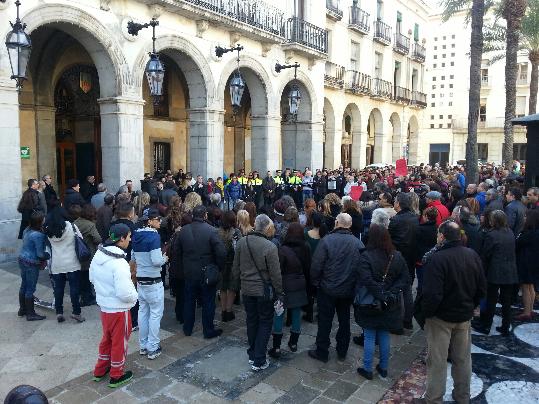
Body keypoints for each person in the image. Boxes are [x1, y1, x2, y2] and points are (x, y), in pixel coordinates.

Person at [421, 220, 486, 404]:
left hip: (441, 317)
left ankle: (433, 398)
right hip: (464, 315)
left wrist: (428, 313)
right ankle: (462, 397)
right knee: (463, 359)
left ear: (442, 236)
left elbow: (432, 294)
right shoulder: (472, 255)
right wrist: (471, 305)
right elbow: (482, 287)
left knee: (437, 361)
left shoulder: (437, 258)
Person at [355, 224, 409, 380]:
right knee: (384, 333)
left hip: (371, 301)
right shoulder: (396, 255)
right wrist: (389, 294)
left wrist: (381, 294)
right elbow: (405, 279)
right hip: (389, 302)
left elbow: (366, 280)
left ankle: (367, 368)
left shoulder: (366, 256)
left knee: (370, 335)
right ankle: (383, 367)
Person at [309, 213, 364, 363]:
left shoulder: (327, 240)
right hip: (346, 290)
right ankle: (342, 350)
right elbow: (361, 268)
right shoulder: (357, 243)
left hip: (328, 288)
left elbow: (316, 266)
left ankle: (322, 351)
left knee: (325, 321)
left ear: (337, 223)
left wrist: (316, 283)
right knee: (344, 320)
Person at [231, 214, 283, 371]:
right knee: (265, 322)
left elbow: (235, 268)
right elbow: (275, 274)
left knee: (252, 320)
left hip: (247, 290)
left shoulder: (242, 242)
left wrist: (237, 285)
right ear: (267, 228)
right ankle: (259, 359)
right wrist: (279, 292)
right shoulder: (270, 247)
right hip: (263, 291)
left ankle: (253, 353)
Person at [90, 223, 138, 388]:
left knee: (107, 339)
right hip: (119, 310)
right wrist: (135, 297)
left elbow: (92, 278)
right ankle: (116, 375)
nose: (130, 240)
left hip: (105, 307)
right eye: (129, 237)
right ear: (122, 238)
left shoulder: (99, 255)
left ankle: (100, 370)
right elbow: (125, 293)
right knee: (119, 342)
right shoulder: (119, 263)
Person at [175, 205, 226, 338]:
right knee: (208, 302)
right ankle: (208, 330)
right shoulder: (211, 231)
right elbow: (221, 252)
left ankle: (187, 328)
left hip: (190, 272)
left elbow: (177, 252)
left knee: (189, 301)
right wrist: (218, 267)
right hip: (206, 272)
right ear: (205, 216)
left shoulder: (183, 231)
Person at [472, 210, 519, 336]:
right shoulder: (510, 232)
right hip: (509, 271)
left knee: (490, 300)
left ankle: (486, 325)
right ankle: (505, 326)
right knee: (506, 301)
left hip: (494, 272)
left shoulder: (491, 234)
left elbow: (486, 254)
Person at [268, 223, 310, 358]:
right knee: (296, 313)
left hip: (285, 284)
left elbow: (278, 269)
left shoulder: (283, 249)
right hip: (299, 284)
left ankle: (276, 346)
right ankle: (293, 342)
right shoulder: (306, 247)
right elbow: (308, 267)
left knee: (279, 313)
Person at [132, 208, 168, 359]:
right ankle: (153, 347)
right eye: (157, 219)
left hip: (141, 280)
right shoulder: (153, 237)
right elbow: (156, 261)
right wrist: (165, 258)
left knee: (143, 312)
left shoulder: (135, 235)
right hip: (153, 281)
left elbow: (133, 259)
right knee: (155, 314)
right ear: (150, 221)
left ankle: (143, 345)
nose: (160, 221)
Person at [44, 207, 85, 323]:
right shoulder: (71, 226)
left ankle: (59, 312)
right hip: (72, 262)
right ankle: (76, 312)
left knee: (58, 288)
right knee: (74, 288)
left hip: (57, 263)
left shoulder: (48, 229)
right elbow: (80, 238)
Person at [388, 192, 418, 332]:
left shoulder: (396, 220)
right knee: (407, 289)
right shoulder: (415, 218)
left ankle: (396, 321)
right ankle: (407, 320)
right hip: (411, 257)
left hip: (399, 257)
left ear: (398, 204)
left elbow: (390, 239)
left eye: (395, 201)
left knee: (396, 289)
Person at [17, 211, 49, 321]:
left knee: (24, 285)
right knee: (30, 288)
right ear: (40, 221)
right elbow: (40, 254)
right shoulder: (38, 235)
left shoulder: (27, 229)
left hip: (22, 259)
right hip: (31, 263)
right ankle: (31, 314)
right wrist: (48, 255)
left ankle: (23, 309)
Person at [73, 204, 102, 306]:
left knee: (82, 276)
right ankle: (87, 298)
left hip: (77, 252)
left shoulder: (75, 222)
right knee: (87, 277)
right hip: (88, 253)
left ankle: (85, 296)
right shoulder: (90, 225)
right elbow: (98, 239)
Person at [515, 209, 539, 321]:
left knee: (526, 287)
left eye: (525, 216)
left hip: (526, 263)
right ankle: (530, 309)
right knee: (531, 287)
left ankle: (526, 312)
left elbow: (518, 244)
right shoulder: (536, 232)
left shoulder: (528, 233)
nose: (524, 218)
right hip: (534, 263)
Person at [218, 211, 241, 322]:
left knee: (222, 288)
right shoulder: (236, 232)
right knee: (232, 288)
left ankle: (223, 311)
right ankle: (228, 310)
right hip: (233, 264)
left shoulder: (217, 232)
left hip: (221, 264)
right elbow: (239, 249)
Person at [414, 207, 438, 294]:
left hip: (421, 258)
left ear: (426, 216)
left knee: (421, 281)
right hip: (433, 258)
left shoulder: (420, 229)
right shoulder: (437, 228)